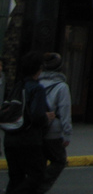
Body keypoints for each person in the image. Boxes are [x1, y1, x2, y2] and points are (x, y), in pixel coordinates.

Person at [3, 51, 55, 194]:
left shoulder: (17, 86)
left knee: (15, 177)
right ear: (38, 69)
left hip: (10, 138)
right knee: (37, 176)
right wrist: (47, 118)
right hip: (29, 140)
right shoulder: (36, 89)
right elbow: (37, 116)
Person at [37, 53, 72, 193]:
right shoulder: (61, 87)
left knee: (40, 161)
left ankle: (33, 184)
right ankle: (39, 187)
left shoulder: (36, 83)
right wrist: (67, 133)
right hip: (53, 131)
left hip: (36, 128)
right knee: (59, 160)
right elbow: (65, 112)